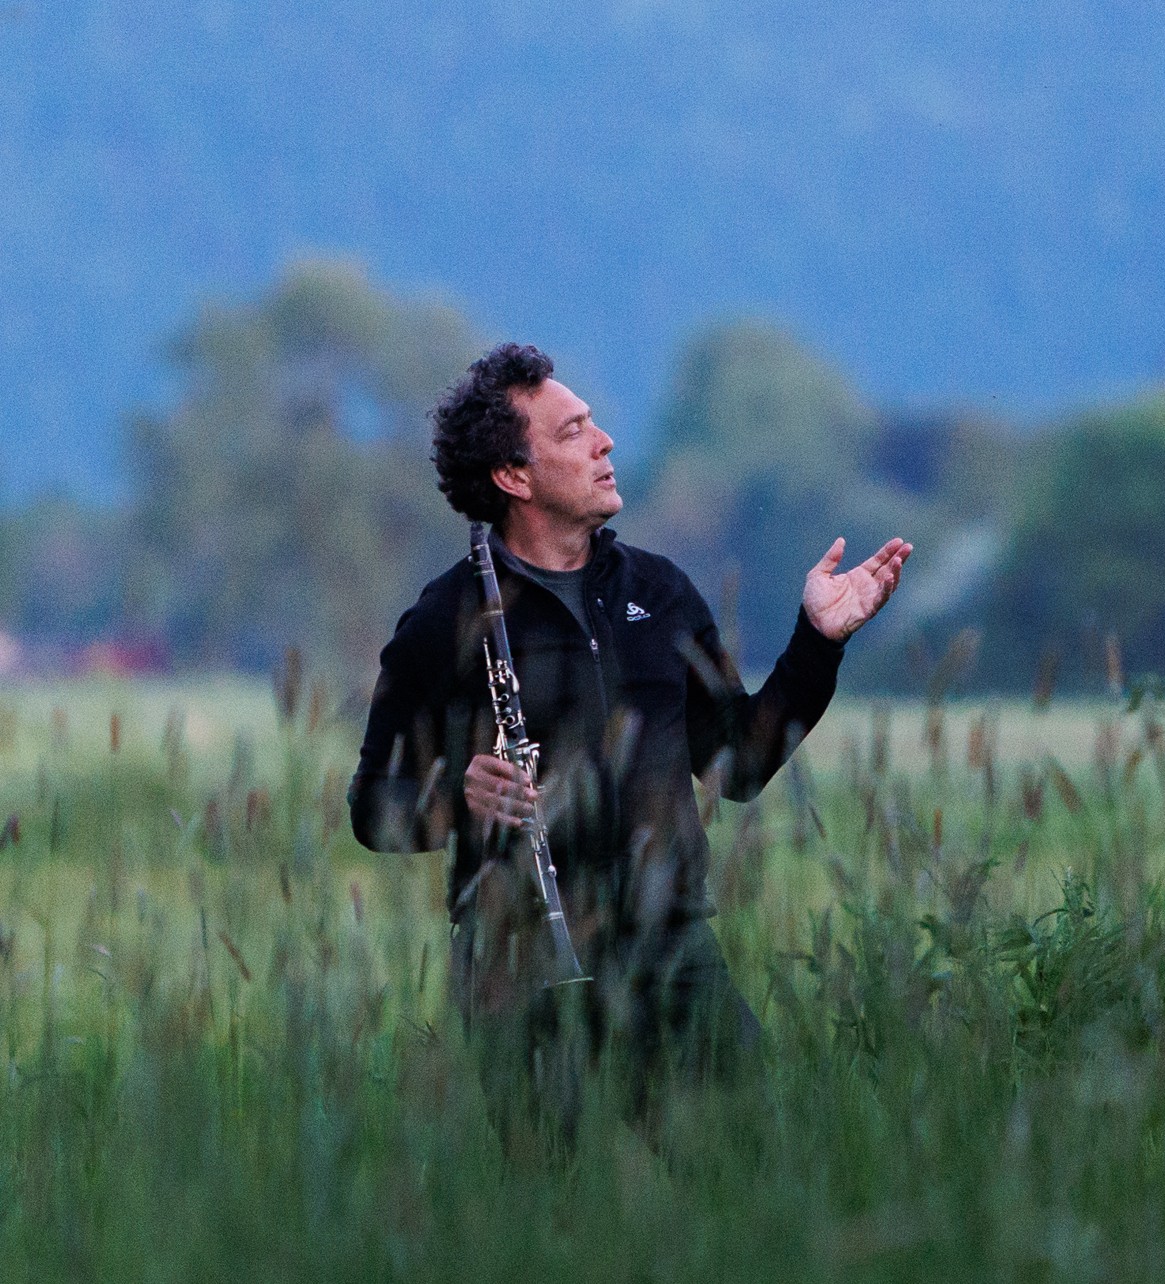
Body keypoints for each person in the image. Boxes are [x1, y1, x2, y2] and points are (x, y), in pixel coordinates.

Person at [348, 342, 910, 1149]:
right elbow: (374, 810)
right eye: (574, 431)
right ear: (514, 476)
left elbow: (740, 764)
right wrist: (456, 801)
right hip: (519, 967)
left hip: (673, 951)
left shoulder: (659, 593)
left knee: (751, 1183)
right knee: (558, 1219)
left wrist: (817, 643)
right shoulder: (444, 621)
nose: (605, 441)